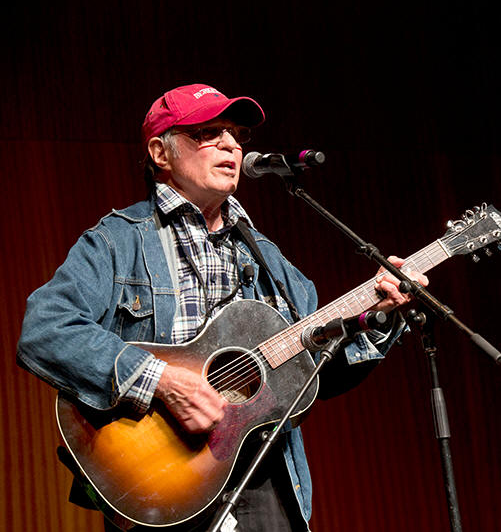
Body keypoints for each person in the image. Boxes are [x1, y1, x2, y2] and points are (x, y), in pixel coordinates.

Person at [16, 83, 428, 531]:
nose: (231, 144)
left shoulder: (268, 258)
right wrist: (162, 381)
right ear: (160, 152)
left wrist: (380, 315)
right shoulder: (118, 241)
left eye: (235, 133)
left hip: (265, 480)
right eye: (208, 133)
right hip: (162, 480)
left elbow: (320, 371)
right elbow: (46, 329)